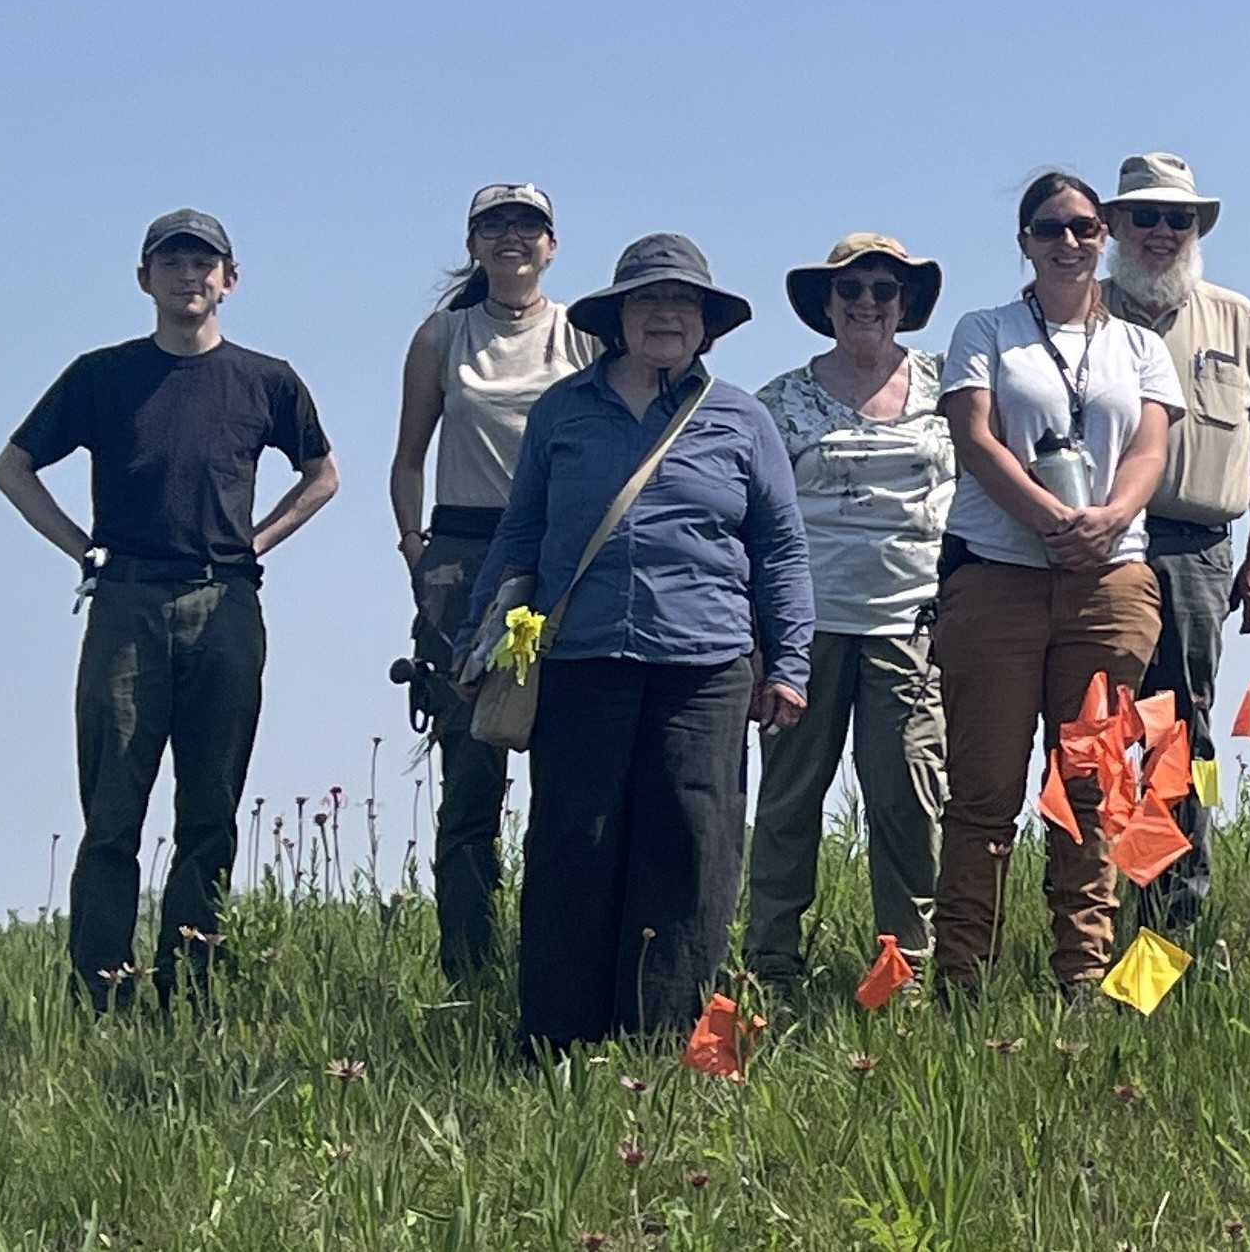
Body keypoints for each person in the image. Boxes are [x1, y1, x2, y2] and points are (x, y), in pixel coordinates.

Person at [462, 233, 813, 1047]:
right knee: (572, 844)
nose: (667, 315)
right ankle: (559, 1039)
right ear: (618, 319)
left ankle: (665, 1041)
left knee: (692, 851)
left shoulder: (741, 417)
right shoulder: (562, 411)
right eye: (650, 301)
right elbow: (521, 532)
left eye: (684, 304)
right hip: (581, 661)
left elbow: (781, 547)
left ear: (706, 325)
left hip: (707, 668)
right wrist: (480, 640)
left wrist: (789, 661)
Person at [0, 209, 340, 1010]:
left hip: (226, 600)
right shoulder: (101, 375)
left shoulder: (268, 380)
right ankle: (99, 996)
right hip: (126, 603)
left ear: (230, 279)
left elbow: (323, 474)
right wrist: (82, 548)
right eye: (173, 263)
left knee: (210, 811)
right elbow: (13, 467)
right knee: (112, 811)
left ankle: (191, 992)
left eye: (204, 263)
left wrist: (260, 540)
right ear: (145, 278)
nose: (190, 277)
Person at [932, 173, 1184, 1005]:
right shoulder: (986, 329)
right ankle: (963, 975)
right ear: (1024, 241)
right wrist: (1050, 517)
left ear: (1103, 236)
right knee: (986, 787)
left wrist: (1110, 518)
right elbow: (976, 437)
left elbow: (1150, 449)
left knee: (1092, 782)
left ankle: (1082, 970)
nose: (1068, 242)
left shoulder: (1139, 346)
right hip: (1000, 576)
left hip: (1110, 580)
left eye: (1083, 228)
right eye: (1050, 229)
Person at [388, 182, 599, 981]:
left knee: (567, 766)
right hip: (465, 555)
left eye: (528, 226)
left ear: (551, 244)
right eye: (496, 226)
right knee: (471, 771)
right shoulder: (443, 335)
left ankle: (553, 956)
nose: (513, 238)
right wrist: (416, 551)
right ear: (474, 244)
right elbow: (408, 455)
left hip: (561, 556)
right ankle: (468, 965)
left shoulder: (582, 334)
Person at [740, 233, 956, 1001]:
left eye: (884, 289)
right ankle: (772, 968)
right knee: (791, 801)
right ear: (826, 305)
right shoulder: (778, 403)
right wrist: (763, 638)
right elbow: (753, 526)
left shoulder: (948, 387)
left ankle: (903, 975)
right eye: (851, 290)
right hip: (808, 630)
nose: (867, 302)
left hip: (914, 625)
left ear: (906, 303)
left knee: (908, 800)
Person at [1102, 153, 1250, 936]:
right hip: (1097, 550)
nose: (1162, 231)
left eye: (1178, 217)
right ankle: (1096, 912)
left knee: (1184, 727)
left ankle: (1175, 914)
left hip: (1198, 550)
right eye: (1145, 216)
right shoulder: (1079, 313)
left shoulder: (1239, 320)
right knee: (1100, 728)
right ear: (1113, 226)